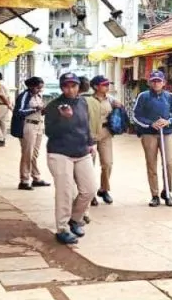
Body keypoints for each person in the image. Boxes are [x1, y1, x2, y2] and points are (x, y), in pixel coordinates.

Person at [44, 72, 96, 245]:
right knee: (65, 192)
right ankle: (62, 228)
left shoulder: (83, 102)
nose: (70, 89)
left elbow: (86, 124)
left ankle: (75, 219)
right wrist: (63, 118)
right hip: (60, 152)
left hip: (82, 151)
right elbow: (50, 132)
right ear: (61, 87)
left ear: (78, 87)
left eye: (73, 85)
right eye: (66, 86)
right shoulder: (54, 106)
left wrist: (90, 143)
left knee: (89, 190)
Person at [132, 71, 172, 207]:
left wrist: (168, 122)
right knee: (151, 164)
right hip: (149, 134)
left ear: (164, 82)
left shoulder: (171, 97)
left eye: (159, 81)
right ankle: (155, 194)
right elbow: (136, 115)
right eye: (153, 81)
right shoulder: (143, 96)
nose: (156, 83)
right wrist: (150, 124)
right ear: (149, 82)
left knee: (169, 163)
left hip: (167, 133)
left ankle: (167, 192)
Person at [85, 75, 122, 206]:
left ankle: (104, 189)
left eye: (108, 84)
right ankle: (90, 193)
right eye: (104, 85)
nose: (107, 87)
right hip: (91, 133)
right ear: (95, 86)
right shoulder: (87, 100)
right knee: (89, 165)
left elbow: (119, 112)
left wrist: (119, 107)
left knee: (107, 163)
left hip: (106, 133)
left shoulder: (111, 100)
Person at [16, 77, 50, 190]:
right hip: (28, 125)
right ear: (31, 86)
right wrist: (35, 109)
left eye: (41, 87)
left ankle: (36, 177)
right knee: (27, 153)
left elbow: (41, 111)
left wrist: (45, 110)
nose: (40, 90)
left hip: (39, 125)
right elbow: (19, 112)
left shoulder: (38, 96)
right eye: (38, 87)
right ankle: (24, 180)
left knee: (34, 154)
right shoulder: (25, 96)